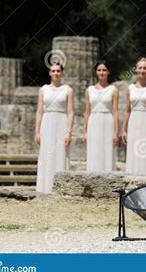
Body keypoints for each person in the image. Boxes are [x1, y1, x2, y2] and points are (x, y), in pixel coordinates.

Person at [35, 63, 74, 193]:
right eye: (53, 71)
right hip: (46, 124)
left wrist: (69, 132)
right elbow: (39, 111)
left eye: (58, 71)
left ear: (62, 73)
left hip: (61, 123)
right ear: (49, 73)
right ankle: (44, 188)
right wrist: (37, 132)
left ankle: (61, 188)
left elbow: (70, 112)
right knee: (46, 154)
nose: (56, 73)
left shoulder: (68, 90)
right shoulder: (43, 89)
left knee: (61, 154)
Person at [83, 60, 119, 172]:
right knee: (94, 152)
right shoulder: (89, 90)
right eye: (99, 70)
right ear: (96, 72)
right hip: (93, 122)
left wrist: (116, 132)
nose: (101, 72)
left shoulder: (113, 90)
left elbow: (115, 111)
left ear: (108, 72)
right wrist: (84, 132)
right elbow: (87, 112)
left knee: (107, 152)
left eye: (104, 70)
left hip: (108, 121)